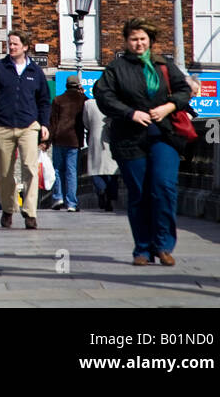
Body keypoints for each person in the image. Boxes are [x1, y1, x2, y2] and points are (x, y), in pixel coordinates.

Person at [93, 18, 192, 267]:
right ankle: (143, 249)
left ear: (150, 41)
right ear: (127, 41)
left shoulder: (164, 65)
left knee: (163, 187)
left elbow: (184, 90)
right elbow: (103, 96)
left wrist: (168, 107)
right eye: (134, 39)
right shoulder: (116, 68)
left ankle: (164, 245)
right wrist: (130, 113)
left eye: (142, 39)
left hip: (163, 134)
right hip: (129, 138)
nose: (138, 43)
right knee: (138, 194)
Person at [0, 30, 52, 229]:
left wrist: (44, 124)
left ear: (25, 47)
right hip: (2, 127)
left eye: (15, 44)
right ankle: (8, 209)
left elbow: (44, 101)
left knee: (30, 168)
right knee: (4, 173)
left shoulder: (35, 72)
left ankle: (30, 213)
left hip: (28, 126)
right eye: (9, 44)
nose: (11, 47)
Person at [48, 73, 88, 211]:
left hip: (59, 138)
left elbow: (52, 122)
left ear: (66, 85)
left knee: (58, 170)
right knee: (71, 171)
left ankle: (58, 198)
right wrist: (82, 93)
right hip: (74, 140)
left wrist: (47, 141)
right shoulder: (83, 100)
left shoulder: (58, 100)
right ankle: (71, 203)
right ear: (78, 86)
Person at [83, 96, 119, 212]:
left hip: (95, 137)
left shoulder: (89, 104)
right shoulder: (114, 101)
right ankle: (110, 195)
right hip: (111, 137)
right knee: (112, 171)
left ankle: (101, 189)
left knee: (96, 169)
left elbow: (86, 122)